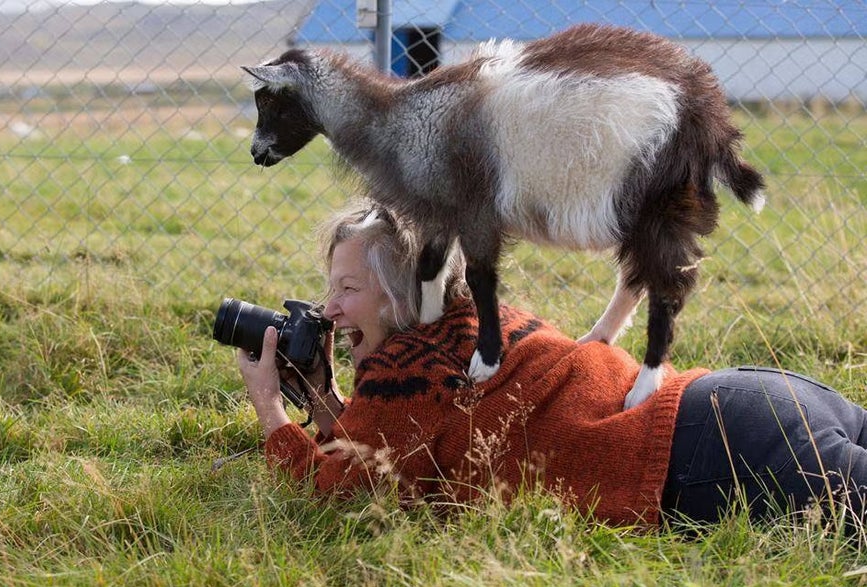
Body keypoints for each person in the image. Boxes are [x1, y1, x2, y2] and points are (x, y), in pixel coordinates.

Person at [236, 204, 867, 527]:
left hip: (716, 456)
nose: (329, 308)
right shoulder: (483, 321)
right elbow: (388, 451)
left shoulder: (407, 369)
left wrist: (269, 408)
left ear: (399, 297)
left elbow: (333, 491)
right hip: (746, 402)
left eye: (346, 289)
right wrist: (324, 400)